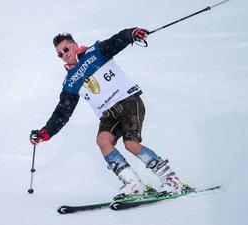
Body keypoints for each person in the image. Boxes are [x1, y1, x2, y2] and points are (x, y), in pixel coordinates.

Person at [30, 27, 190, 196]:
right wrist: (45, 133)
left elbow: (116, 41)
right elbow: (63, 112)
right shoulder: (70, 81)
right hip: (108, 113)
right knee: (103, 140)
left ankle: (172, 180)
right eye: (60, 54)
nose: (64, 55)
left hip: (127, 101)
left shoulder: (95, 52)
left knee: (131, 144)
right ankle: (134, 185)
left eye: (66, 49)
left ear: (75, 45)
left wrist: (132, 34)